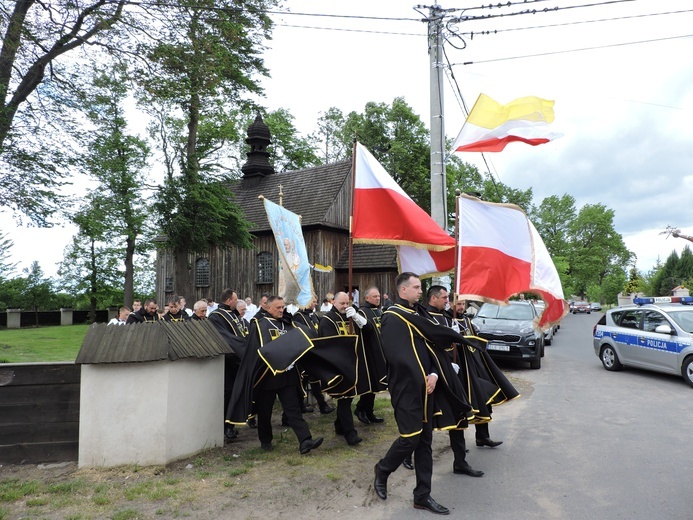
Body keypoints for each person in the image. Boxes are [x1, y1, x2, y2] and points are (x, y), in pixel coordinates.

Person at [373, 272, 473, 515]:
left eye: (420, 287)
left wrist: (434, 374)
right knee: (410, 438)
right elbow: (398, 358)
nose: (420, 291)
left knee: (425, 442)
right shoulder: (393, 318)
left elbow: (429, 350)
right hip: (406, 389)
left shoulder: (416, 314)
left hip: (427, 387)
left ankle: (422, 496)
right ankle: (383, 470)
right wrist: (420, 377)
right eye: (416, 287)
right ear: (403, 290)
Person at [246, 296, 323, 454]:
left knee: (293, 409)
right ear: (268, 308)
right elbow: (255, 351)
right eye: (278, 308)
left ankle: (305, 441)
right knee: (265, 411)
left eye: (282, 307)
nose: (281, 310)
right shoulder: (259, 325)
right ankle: (266, 440)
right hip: (267, 376)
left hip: (287, 375)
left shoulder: (287, 323)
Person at [422, 286, 484, 478]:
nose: (447, 301)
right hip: (433, 375)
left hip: (452, 374)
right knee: (427, 420)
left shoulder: (449, 318)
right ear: (433, 298)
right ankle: (410, 456)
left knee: (459, 415)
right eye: (444, 298)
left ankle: (460, 462)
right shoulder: (424, 318)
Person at [318, 291, 362, 446]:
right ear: (334, 302)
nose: (345, 306)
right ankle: (350, 434)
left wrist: (356, 318)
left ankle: (339, 425)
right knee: (344, 399)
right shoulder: (327, 320)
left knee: (348, 398)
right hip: (337, 365)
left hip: (351, 363)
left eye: (347, 303)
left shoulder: (349, 317)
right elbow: (329, 345)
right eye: (342, 303)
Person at [208, 289, 248, 440]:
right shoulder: (216, 316)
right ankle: (225, 426)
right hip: (229, 360)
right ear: (228, 300)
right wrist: (242, 349)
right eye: (236, 299)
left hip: (238, 360)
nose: (237, 302)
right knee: (229, 393)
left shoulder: (233, 314)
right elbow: (226, 338)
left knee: (237, 393)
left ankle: (232, 424)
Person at [291, 298, 335, 415]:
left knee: (311, 379)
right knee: (304, 381)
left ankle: (318, 405)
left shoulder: (313, 315)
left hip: (314, 351)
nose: (316, 304)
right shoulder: (298, 316)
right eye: (313, 302)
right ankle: (305, 406)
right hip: (304, 353)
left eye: (316, 302)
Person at [353, 286, 387, 425]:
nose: (377, 298)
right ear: (367, 298)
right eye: (374, 296)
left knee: (376, 383)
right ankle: (361, 409)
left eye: (378, 296)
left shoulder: (378, 311)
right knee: (370, 382)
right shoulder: (362, 312)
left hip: (380, 350)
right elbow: (365, 330)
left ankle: (369, 411)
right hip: (369, 352)